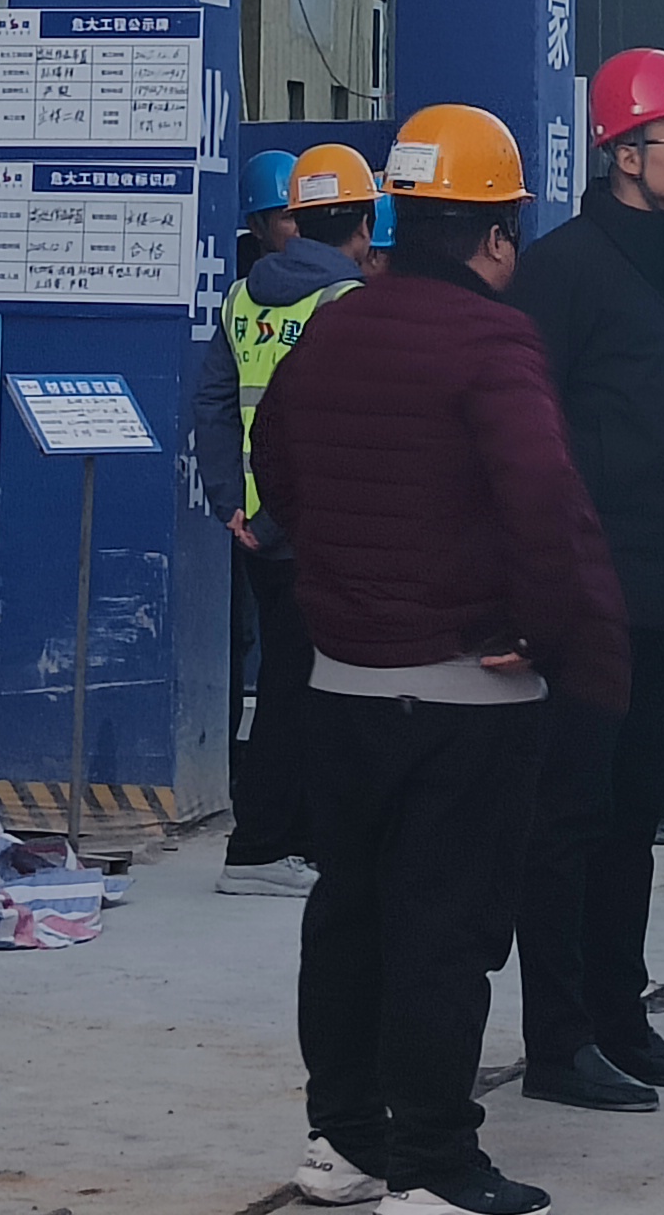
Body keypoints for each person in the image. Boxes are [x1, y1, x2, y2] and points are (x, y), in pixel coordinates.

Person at [255, 104, 628, 1215]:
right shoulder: (492, 341)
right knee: (444, 930)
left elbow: (276, 463)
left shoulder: (335, 328)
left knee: (350, 916)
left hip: (341, 681)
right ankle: (433, 1165)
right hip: (466, 691)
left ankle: (344, 1143)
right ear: (498, 235)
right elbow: (545, 503)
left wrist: (341, 585)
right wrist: (558, 641)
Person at [507, 47, 664, 1114]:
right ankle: (557, 1042)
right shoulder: (563, 274)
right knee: (570, 819)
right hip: (587, 599)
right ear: (623, 153)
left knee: (637, 813)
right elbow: (524, 438)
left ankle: (619, 1018)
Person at [200, 147, 381, 896]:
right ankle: (263, 846)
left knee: (291, 676)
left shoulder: (243, 299)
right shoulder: (349, 305)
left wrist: (231, 503)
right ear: (364, 227)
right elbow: (332, 428)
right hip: (316, 527)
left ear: (297, 222)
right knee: (300, 687)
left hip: (255, 525)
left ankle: (294, 838)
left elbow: (216, 404)